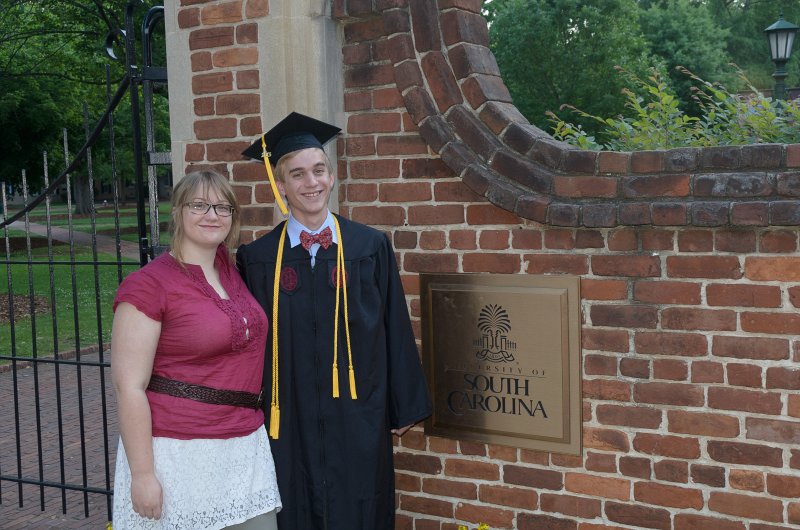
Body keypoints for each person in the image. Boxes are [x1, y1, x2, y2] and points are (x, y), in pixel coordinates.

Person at [237, 112, 432, 530]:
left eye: (319, 170)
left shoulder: (368, 246)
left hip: (357, 410)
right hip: (286, 416)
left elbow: (394, 326)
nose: (312, 183)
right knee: (293, 506)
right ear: (281, 184)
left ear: (331, 176)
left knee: (359, 506)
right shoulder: (256, 259)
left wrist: (403, 404)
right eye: (298, 174)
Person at [111, 170, 281, 529]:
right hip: (178, 455)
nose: (212, 215)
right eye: (199, 205)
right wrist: (142, 475)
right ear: (177, 212)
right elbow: (129, 387)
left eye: (222, 207)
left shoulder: (231, 271)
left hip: (244, 448)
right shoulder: (148, 285)